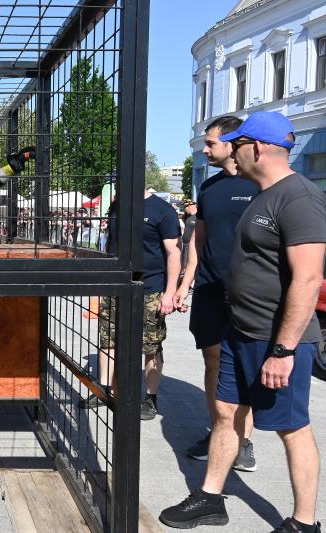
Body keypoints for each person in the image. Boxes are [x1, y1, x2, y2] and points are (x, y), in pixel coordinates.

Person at [160, 112, 325, 532]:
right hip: (239, 328)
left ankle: (304, 522)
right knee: (226, 411)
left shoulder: (299, 198)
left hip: (275, 338)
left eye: (237, 144)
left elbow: (308, 278)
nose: (232, 152)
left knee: (292, 428)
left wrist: (283, 350)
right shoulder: (261, 194)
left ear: (259, 147)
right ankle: (210, 498)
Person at [172, 116, 260, 472]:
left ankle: (244, 440)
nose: (205, 149)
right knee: (213, 361)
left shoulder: (259, 183)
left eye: (211, 143)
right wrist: (185, 283)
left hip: (248, 294)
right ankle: (219, 433)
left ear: (232, 143)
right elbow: (199, 241)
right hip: (209, 289)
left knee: (243, 364)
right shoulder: (208, 188)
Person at [80, 188, 182, 421]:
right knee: (108, 338)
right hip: (116, 286)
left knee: (151, 345)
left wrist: (170, 292)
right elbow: (111, 244)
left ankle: (150, 398)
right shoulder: (117, 206)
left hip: (150, 288)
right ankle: (104, 389)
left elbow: (174, 253)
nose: (117, 185)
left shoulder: (163, 210)